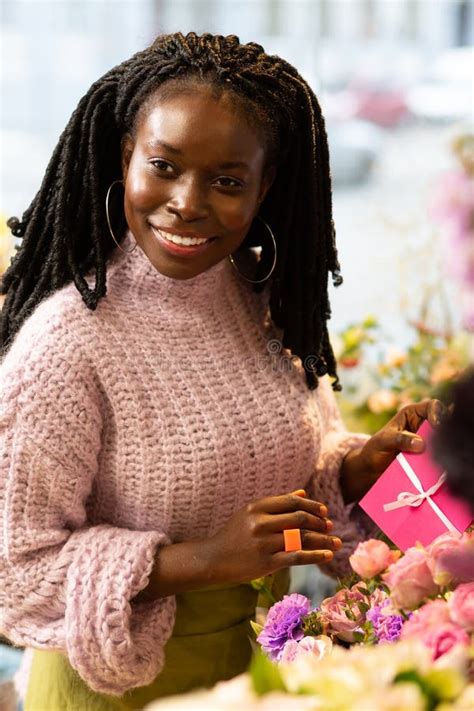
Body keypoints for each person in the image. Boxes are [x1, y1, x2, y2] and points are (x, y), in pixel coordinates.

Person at [0, 32, 442, 710]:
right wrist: (210, 559)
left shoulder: (258, 303)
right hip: (106, 684)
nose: (187, 201)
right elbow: (16, 570)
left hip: (252, 663)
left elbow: (285, 471)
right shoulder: (66, 346)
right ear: (127, 156)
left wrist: (360, 469)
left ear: (266, 187)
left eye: (227, 181)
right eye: (165, 165)